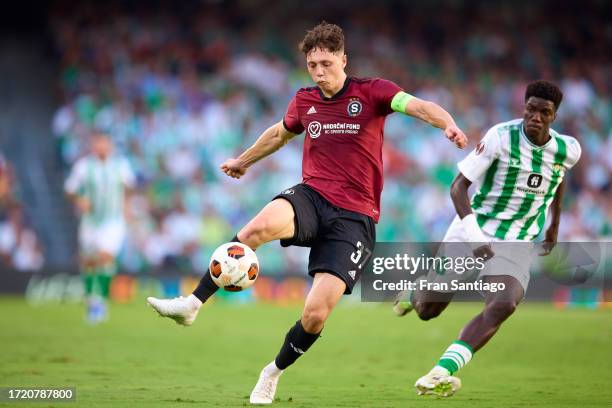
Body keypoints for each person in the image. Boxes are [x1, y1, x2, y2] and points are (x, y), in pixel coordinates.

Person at [147, 21, 467, 404]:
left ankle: (272, 371)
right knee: (257, 228)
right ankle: (192, 304)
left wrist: (447, 123)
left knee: (315, 315)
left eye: (326, 63)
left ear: (343, 59)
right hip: (312, 196)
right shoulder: (304, 100)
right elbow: (280, 133)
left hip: (355, 218)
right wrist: (244, 161)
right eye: (312, 64)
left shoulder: (373, 92)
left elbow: (417, 106)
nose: (319, 72)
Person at [393, 80, 581, 397]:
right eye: (530, 109)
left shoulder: (568, 149)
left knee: (504, 303)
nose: (535, 116)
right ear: (524, 108)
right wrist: (476, 238)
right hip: (473, 227)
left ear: (554, 116)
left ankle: (442, 371)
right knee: (428, 311)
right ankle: (415, 291)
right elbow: (457, 188)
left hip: (517, 240)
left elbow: (557, 175)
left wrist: (554, 224)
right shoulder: (500, 137)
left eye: (543, 112)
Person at [65, 132, 135, 323]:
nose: (102, 147)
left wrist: (127, 206)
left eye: (105, 143)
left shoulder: (120, 165)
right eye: (98, 143)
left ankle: (100, 301)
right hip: (90, 221)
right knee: (89, 261)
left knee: (106, 256)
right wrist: (79, 200)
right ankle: (91, 299)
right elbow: (69, 189)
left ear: (110, 145)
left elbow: (129, 187)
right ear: (93, 146)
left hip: (113, 220)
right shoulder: (83, 166)